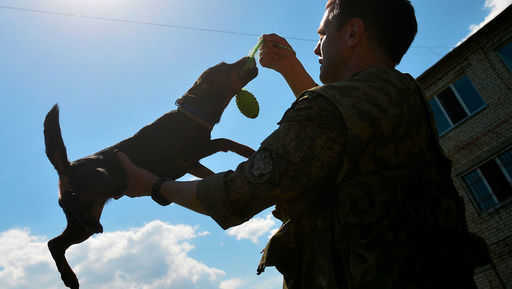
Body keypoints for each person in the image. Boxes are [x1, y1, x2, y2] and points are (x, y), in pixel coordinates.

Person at [117, 0, 489, 288]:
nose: (316, 48)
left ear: (353, 33)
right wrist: (291, 69)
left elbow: (237, 193)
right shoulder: (403, 94)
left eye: (322, 34)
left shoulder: (326, 113)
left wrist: (154, 186)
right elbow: (339, 126)